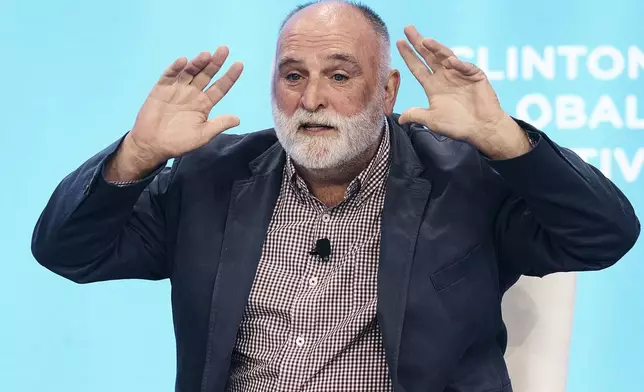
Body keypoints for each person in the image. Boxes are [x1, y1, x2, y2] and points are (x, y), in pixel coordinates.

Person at [31, 1, 640, 391]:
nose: (312, 99)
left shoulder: (463, 180)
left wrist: (506, 142)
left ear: (389, 89)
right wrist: (136, 156)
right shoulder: (212, 176)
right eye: (293, 76)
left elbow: (603, 234)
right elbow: (70, 252)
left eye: (340, 75)